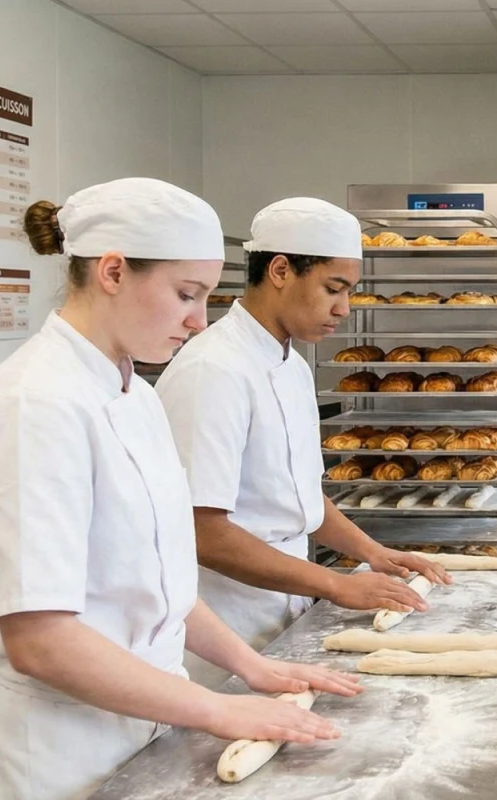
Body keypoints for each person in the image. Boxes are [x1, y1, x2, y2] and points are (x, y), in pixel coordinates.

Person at [0, 179, 361, 800]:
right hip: (50, 755)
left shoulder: (135, 393)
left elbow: (162, 581)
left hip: (141, 731)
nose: (198, 320)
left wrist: (253, 667)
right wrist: (216, 709)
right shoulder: (34, 405)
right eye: (186, 294)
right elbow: (40, 642)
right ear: (112, 272)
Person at [157, 197, 451, 688]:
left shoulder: (292, 364)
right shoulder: (213, 371)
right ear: (279, 270)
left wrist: (371, 552)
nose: (344, 308)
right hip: (225, 628)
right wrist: (335, 584)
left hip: (284, 609)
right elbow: (201, 530)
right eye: (333, 289)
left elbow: (297, 495)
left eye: (350, 292)